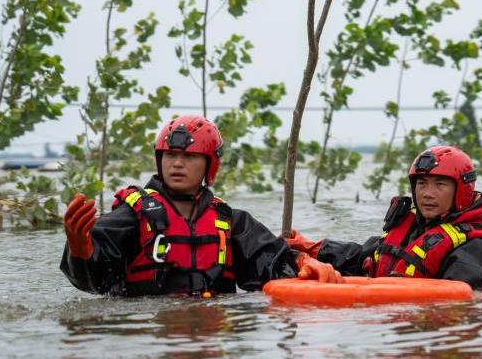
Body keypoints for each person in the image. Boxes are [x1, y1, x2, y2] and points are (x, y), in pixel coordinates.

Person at [60, 115, 342, 297]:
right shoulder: (132, 215)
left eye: (189, 156)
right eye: (170, 155)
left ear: (210, 165)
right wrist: (79, 249)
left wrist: (304, 261)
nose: (177, 163)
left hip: (211, 323)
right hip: (150, 328)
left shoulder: (231, 221)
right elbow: (93, 283)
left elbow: (273, 261)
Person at [286, 145, 482, 290]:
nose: (427, 194)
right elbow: (364, 258)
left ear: (462, 191)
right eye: (421, 184)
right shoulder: (412, 229)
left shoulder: (479, 250)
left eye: (439, 185)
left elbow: (476, 307)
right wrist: (310, 248)